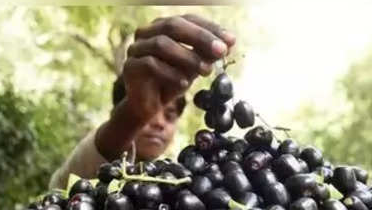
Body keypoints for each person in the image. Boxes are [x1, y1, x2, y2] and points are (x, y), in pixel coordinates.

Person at [49, 14, 235, 189]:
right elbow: (65, 185)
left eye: (170, 116)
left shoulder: (181, 179)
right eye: (152, 113)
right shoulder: (85, 169)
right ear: (116, 111)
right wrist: (133, 113)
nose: (159, 123)